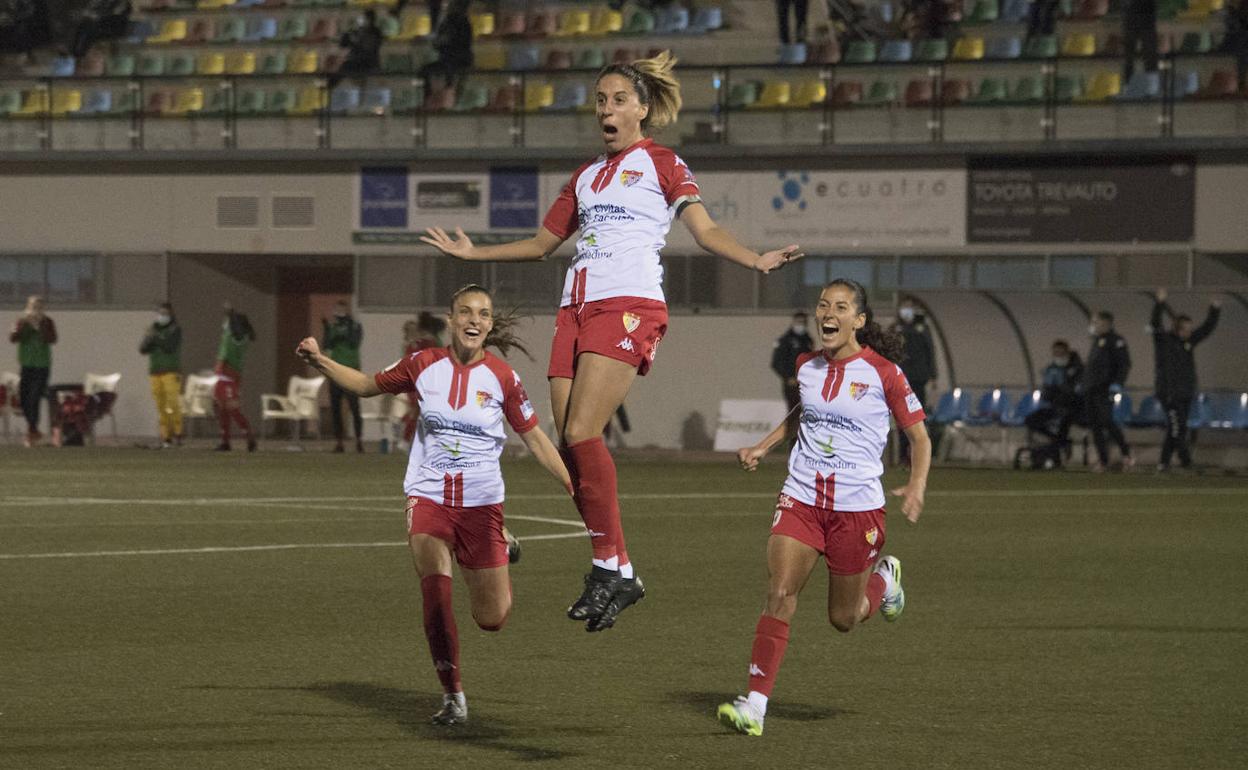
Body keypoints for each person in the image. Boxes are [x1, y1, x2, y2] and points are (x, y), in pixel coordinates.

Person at [419, 51, 801, 632]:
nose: (607, 109)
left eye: (619, 99)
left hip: (628, 304)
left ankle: (607, 567)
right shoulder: (586, 177)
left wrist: (755, 258)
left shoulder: (663, 163)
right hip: (574, 306)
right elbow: (543, 243)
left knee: (580, 431)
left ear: (643, 110)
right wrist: (476, 253)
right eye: (600, 100)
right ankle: (620, 568)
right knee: (572, 447)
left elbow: (705, 230)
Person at [295, 284, 573, 726]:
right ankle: (453, 696)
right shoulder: (422, 364)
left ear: (489, 323)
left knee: (492, 618)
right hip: (428, 494)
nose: (474, 320)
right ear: (450, 318)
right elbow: (367, 385)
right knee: (437, 594)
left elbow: (535, 437)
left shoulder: (502, 378)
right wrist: (321, 361)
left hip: (482, 503)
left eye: (482, 314)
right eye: (466, 312)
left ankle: (500, 541)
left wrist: (574, 485)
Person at [717, 279, 930, 737]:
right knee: (780, 593)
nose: (827, 313)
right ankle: (754, 706)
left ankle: (884, 580)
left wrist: (916, 484)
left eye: (840, 306)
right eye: (822, 305)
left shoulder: (884, 374)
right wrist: (763, 446)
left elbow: (919, 436)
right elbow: (801, 414)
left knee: (844, 619)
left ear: (859, 320)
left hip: (858, 511)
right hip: (802, 498)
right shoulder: (807, 366)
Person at [1151, 289, 1220, 471]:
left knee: (1179, 429)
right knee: (1176, 428)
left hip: (1185, 392)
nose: (1189, 332)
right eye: (1186, 329)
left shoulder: (1188, 343)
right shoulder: (1164, 340)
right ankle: (1175, 462)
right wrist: (1159, 303)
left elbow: (1206, 329)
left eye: (1190, 329)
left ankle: (1173, 462)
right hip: (1168, 393)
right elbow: (1155, 323)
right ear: (1177, 328)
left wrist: (1215, 309)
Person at [1083, 310, 1132, 472]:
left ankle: (1126, 453)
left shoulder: (1116, 341)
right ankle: (1103, 461)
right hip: (1091, 388)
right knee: (1095, 425)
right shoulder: (1097, 341)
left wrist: (1117, 383)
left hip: (1105, 389)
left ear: (1106, 323)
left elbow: (1124, 364)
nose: (1093, 325)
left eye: (1096, 322)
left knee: (1107, 421)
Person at [891, 295, 936, 463]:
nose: (906, 310)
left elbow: (930, 351)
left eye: (909, 306)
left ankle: (918, 455)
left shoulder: (922, 327)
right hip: (900, 380)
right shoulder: (895, 328)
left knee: (917, 418)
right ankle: (903, 455)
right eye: (904, 306)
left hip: (918, 379)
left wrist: (933, 375)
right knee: (901, 419)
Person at [9, 294, 57, 447]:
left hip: (42, 365)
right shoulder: (22, 321)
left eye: (39, 306)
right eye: (33, 306)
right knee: (24, 399)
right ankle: (34, 429)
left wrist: (40, 327)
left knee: (34, 397)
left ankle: (31, 431)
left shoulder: (47, 322)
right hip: (26, 364)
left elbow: (52, 339)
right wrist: (26, 326)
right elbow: (13, 338)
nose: (36, 309)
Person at [1024, 340, 1084, 456]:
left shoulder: (1078, 369)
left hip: (1072, 408)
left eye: (1061, 353)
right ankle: (1060, 442)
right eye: (1055, 353)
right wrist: (1048, 389)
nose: (1058, 356)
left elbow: (1077, 392)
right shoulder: (1051, 369)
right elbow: (1046, 394)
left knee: (1064, 419)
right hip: (1055, 406)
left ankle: (1057, 445)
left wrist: (1061, 386)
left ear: (1067, 352)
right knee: (1030, 420)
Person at [323, 300, 364, 453]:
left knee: (354, 407)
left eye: (342, 309)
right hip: (336, 371)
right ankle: (339, 441)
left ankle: (359, 440)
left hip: (352, 371)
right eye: (337, 309)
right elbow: (327, 345)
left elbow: (354, 342)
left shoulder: (355, 326)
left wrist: (343, 332)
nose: (339, 312)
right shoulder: (332, 327)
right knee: (336, 407)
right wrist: (327, 328)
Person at [139, 302, 183, 448]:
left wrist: (155, 337)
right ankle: (166, 437)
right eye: (160, 313)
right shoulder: (153, 329)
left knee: (172, 403)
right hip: (155, 372)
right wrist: (148, 338)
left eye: (165, 313)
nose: (161, 316)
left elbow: (169, 347)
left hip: (171, 371)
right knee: (161, 406)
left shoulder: (175, 330)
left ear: (171, 315)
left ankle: (177, 432)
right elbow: (143, 349)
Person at [214, 303, 257, 452]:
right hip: (230, 375)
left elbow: (225, 353)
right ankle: (225, 441)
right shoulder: (241, 337)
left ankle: (249, 436)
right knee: (223, 409)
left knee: (232, 409)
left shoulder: (233, 337)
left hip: (228, 375)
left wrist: (230, 313)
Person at [401, 311, 448, 446]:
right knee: (418, 409)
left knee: (423, 410)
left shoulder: (427, 342)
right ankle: (406, 437)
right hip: (419, 382)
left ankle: (409, 435)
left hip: (427, 381)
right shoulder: (422, 343)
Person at [771, 311, 814, 436]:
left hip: (805, 383)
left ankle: (804, 439)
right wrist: (788, 377)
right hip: (791, 383)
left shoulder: (807, 340)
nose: (800, 325)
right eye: (798, 322)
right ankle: (790, 438)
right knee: (793, 411)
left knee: (806, 411)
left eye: (803, 322)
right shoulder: (785, 340)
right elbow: (776, 363)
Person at [420, 0, 473, 95]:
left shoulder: (456, 21)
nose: (448, 6)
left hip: (457, 60)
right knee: (426, 71)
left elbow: (446, 41)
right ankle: (433, 98)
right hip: (450, 59)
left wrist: (439, 42)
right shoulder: (453, 21)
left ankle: (444, 96)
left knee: (433, 71)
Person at [330, 8, 382, 87]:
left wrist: (355, 41)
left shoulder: (375, 32)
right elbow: (343, 45)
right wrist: (347, 34)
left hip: (369, 64)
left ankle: (329, 87)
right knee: (342, 67)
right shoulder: (357, 31)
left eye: (364, 18)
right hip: (356, 63)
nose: (361, 20)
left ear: (370, 20)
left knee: (345, 67)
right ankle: (328, 87)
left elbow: (367, 48)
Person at [1122, 0, 1158, 82]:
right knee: (1129, 55)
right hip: (1132, 14)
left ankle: (1151, 86)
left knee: (1150, 52)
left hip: (1147, 14)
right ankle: (1128, 84)